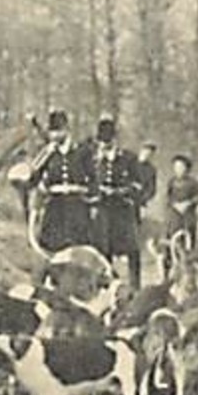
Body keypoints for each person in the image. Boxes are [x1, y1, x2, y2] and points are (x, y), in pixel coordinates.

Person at [89, 117, 146, 287]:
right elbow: (90, 181)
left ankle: (136, 285)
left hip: (122, 209)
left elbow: (138, 184)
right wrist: (98, 192)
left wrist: (121, 191)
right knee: (103, 249)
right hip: (103, 209)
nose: (104, 146)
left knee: (132, 249)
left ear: (114, 140)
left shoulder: (128, 158)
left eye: (107, 141)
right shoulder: (95, 160)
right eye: (101, 142)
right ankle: (109, 285)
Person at [32, 109, 95, 253]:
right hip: (55, 206)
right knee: (52, 246)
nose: (54, 135)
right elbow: (34, 177)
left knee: (78, 246)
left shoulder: (82, 151)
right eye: (52, 131)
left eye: (58, 130)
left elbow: (93, 179)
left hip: (77, 205)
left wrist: (92, 203)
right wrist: (46, 154)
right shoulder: (49, 153)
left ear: (67, 130)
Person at [165, 154, 198, 252]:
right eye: (176, 167)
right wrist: (175, 204)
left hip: (188, 214)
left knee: (188, 234)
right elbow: (168, 197)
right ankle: (170, 259)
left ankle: (187, 257)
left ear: (186, 169)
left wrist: (187, 203)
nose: (178, 170)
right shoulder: (171, 182)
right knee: (172, 233)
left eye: (181, 167)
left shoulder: (193, 182)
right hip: (175, 214)